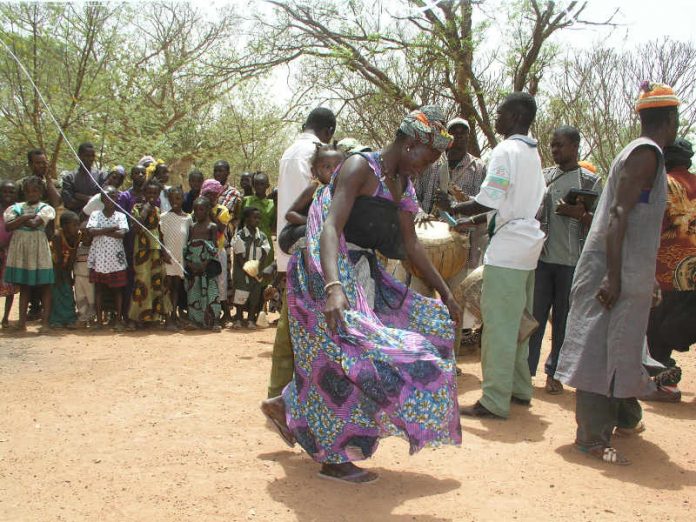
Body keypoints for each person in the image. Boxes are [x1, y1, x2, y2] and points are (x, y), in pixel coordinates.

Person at [261, 106, 462, 484]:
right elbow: (330, 227)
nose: (426, 166)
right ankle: (333, 458)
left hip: (363, 274)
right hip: (325, 270)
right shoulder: (359, 168)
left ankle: (286, 405)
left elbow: (412, 245)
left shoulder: (403, 184)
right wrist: (335, 288)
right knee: (343, 359)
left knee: (372, 353)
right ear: (409, 142)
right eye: (427, 157)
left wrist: (446, 293)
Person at [554, 82, 680, 465]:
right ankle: (591, 436)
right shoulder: (645, 155)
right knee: (601, 347)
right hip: (613, 268)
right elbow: (618, 214)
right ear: (671, 120)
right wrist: (613, 276)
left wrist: (645, 279)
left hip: (626, 268)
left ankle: (626, 418)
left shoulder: (645, 155)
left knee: (624, 345)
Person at [451, 92, 546, 420]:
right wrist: (474, 218)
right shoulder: (533, 152)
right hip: (528, 246)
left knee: (499, 326)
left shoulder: (506, 149)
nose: (496, 118)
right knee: (520, 321)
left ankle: (493, 400)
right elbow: (513, 202)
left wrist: (456, 208)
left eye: (501, 113)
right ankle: (519, 388)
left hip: (507, 250)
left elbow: (491, 198)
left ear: (517, 116)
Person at [267, 106, 336, 399]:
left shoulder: (289, 151)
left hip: (291, 245)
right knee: (305, 326)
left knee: (290, 321)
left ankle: (281, 393)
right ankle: (297, 397)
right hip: (309, 247)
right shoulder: (315, 153)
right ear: (329, 131)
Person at [527, 126, 602, 394]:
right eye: (553, 145)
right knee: (534, 318)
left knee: (563, 321)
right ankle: (525, 373)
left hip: (573, 264)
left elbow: (601, 225)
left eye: (560, 145)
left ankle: (555, 373)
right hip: (543, 260)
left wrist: (579, 214)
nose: (555, 150)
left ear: (575, 146)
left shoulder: (590, 182)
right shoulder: (545, 177)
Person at [3, 176, 56, 332]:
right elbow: (8, 226)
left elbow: (34, 224)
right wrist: (26, 216)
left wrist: (20, 219)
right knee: (24, 285)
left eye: (35, 191)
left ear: (41, 193)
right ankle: (21, 323)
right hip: (22, 251)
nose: (31, 194)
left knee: (45, 285)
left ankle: (45, 323)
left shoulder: (46, 208)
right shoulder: (15, 207)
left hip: (38, 249)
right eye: (28, 191)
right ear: (23, 192)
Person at [436, 118, 488, 271]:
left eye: (463, 133)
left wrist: (461, 201)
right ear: (446, 136)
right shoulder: (434, 164)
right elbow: (418, 197)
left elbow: (486, 203)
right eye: (454, 133)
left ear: (468, 137)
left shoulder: (479, 167)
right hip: (435, 238)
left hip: (467, 238)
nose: (458, 137)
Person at [128, 179, 171, 328]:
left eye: (155, 193)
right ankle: (135, 318)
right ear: (144, 193)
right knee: (142, 282)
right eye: (149, 192)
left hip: (156, 252)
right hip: (142, 252)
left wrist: (165, 251)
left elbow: (160, 233)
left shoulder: (159, 211)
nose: (152, 196)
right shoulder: (137, 207)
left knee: (156, 283)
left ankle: (152, 317)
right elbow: (136, 227)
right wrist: (146, 208)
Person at [87, 185, 129, 330]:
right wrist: (111, 229)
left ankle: (118, 320)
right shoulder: (95, 214)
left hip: (116, 259)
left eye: (113, 195)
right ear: (102, 198)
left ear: (117, 198)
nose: (110, 198)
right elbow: (91, 231)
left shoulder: (121, 216)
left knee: (117, 290)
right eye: (106, 196)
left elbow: (122, 234)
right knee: (99, 289)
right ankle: (99, 321)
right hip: (99, 258)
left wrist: (102, 231)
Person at [184, 197, 221, 331]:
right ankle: (195, 320)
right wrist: (190, 264)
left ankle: (215, 320)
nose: (198, 212)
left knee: (211, 292)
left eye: (201, 209)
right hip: (194, 265)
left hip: (208, 264)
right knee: (194, 292)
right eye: (195, 210)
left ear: (207, 210)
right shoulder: (192, 227)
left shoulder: (212, 226)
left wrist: (205, 264)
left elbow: (214, 248)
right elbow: (188, 247)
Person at [231, 207, 271, 329]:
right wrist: (248, 269)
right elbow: (239, 256)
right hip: (242, 272)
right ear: (247, 219)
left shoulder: (262, 236)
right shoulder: (240, 235)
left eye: (259, 218)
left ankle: (250, 319)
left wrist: (257, 268)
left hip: (256, 272)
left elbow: (264, 253)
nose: (257, 220)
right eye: (254, 217)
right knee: (241, 294)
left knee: (254, 295)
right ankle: (238, 318)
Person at [160, 186, 193, 330]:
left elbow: (189, 237)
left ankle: (174, 315)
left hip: (181, 258)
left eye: (178, 198)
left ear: (182, 199)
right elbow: (160, 237)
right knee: (168, 287)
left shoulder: (188, 218)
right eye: (172, 198)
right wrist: (163, 252)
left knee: (177, 288)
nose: (175, 201)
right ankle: (168, 318)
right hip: (168, 257)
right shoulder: (164, 217)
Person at [200, 178, 232, 324]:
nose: (211, 197)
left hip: (218, 251)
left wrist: (210, 213)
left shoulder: (222, 210)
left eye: (214, 194)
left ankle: (222, 314)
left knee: (220, 283)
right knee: (205, 282)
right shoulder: (199, 208)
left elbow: (220, 229)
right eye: (208, 194)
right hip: (201, 251)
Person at [49, 211, 80, 329]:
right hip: (55, 268)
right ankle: (56, 320)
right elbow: (58, 259)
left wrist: (69, 273)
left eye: (78, 225)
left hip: (66, 267)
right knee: (56, 293)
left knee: (68, 293)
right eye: (74, 225)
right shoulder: (57, 236)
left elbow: (73, 254)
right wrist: (61, 274)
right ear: (65, 226)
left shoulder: (77, 236)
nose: (77, 228)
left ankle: (70, 318)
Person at [61, 142, 107, 215]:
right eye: (87, 156)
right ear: (79, 156)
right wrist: (93, 200)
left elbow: (104, 200)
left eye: (92, 156)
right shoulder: (69, 178)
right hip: (75, 218)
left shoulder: (101, 175)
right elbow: (69, 203)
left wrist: (80, 196)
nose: (91, 159)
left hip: (96, 218)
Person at [242, 171, 276, 269]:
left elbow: (273, 228)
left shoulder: (272, 204)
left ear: (267, 186)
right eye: (256, 184)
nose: (259, 186)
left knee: (265, 272)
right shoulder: (246, 201)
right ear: (253, 185)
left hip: (265, 243)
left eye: (262, 184)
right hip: (247, 241)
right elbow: (240, 222)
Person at [0, 180, 19, 328]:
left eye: (11, 192)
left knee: (10, 287)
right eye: (5, 191)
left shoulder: (18, 210)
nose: (8, 194)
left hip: (11, 252)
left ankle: (5, 317)